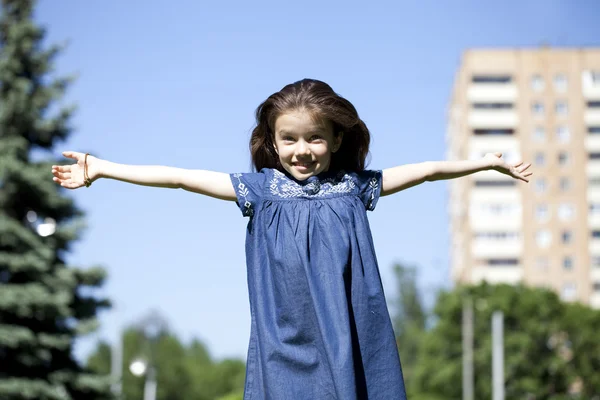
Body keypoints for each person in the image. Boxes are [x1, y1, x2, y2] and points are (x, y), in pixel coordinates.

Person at [52, 79, 532, 399]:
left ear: (337, 140)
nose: (302, 151)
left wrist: (485, 161)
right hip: (285, 338)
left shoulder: (355, 186)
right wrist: (103, 169)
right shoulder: (260, 191)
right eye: (289, 140)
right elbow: (179, 177)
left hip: (352, 330)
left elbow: (427, 171)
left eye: (315, 138)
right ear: (273, 141)